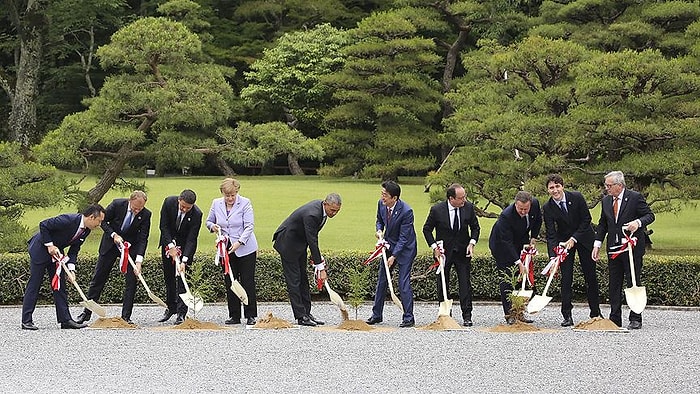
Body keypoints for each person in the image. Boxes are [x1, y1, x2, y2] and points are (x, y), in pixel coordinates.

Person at [21, 204, 106, 330]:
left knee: (60, 286)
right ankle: (26, 321)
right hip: (40, 249)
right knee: (35, 284)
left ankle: (65, 320)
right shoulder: (68, 220)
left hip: (57, 254)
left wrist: (71, 270)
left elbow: (74, 250)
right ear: (92, 217)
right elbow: (43, 224)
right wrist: (49, 245)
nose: (99, 225)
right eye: (99, 221)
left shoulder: (86, 230)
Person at [76, 191, 151, 325]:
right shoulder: (117, 205)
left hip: (129, 249)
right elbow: (103, 222)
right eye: (134, 208)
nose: (137, 211)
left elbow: (143, 238)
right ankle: (86, 313)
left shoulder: (146, 214)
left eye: (140, 209)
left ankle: (126, 317)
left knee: (131, 282)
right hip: (110, 246)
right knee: (98, 279)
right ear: (130, 201)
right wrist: (113, 235)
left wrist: (139, 261)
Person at [592, 171, 654, 329]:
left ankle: (635, 317)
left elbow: (649, 215)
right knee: (614, 283)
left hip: (632, 248)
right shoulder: (606, 201)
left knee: (633, 281)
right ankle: (615, 317)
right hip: (614, 248)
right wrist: (597, 244)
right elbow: (603, 224)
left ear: (619, 185)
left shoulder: (635, 197)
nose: (607, 189)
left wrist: (638, 223)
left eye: (609, 186)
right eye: (606, 186)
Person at [273, 193, 342, 326]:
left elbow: (312, 236)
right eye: (332, 210)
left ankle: (306, 313)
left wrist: (317, 258)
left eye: (337, 211)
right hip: (288, 243)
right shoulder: (312, 214)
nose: (334, 213)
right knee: (294, 280)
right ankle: (300, 316)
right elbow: (312, 240)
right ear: (325, 204)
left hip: (300, 244)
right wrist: (320, 267)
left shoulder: (322, 211)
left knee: (303, 278)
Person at [543, 174, 601, 327]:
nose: (555, 190)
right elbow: (551, 233)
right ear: (547, 190)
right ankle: (567, 315)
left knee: (590, 276)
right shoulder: (547, 207)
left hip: (584, 238)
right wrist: (553, 255)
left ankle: (595, 312)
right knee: (566, 278)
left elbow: (586, 219)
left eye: (557, 186)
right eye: (551, 188)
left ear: (562, 186)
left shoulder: (577, 197)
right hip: (564, 244)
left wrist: (574, 238)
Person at [422, 183, 481, 326]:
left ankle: (467, 315)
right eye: (461, 198)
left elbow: (475, 228)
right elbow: (427, 229)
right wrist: (434, 246)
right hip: (443, 253)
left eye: (464, 197)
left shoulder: (468, 208)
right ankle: (446, 314)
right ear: (451, 198)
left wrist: (471, 243)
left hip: (462, 252)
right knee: (442, 283)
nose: (464, 200)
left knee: (465, 283)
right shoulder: (437, 210)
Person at [206, 178, 258, 326]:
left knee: (247, 281)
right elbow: (208, 222)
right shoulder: (216, 203)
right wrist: (213, 227)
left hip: (245, 248)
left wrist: (239, 242)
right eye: (227, 195)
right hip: (226, 249)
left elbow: (249, 226)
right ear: (222, 193)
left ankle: (251, 314)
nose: (230, 198)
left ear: (237, 192)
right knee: (230, 281)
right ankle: (234, 315)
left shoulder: (245, 203)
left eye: (232, 195)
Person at [366, 181, 417, 328]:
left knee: (403, 282)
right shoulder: (381, 204)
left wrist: (393, 256)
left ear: (394, 198)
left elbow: (403, 238)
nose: (383, 197)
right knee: (382, 280)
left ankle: (408, 317)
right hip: (388, 244)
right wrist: (379, 230)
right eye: (382, 194)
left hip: (405, 249)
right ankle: (376, 315)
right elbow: (379, 220)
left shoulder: (407, 211)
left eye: (385, 195)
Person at [489, 190, 542, 325]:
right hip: (501, 245)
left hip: (520, 241)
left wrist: (533, 238)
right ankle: (509, 314)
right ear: (515, 204)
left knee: (520, 280)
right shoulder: (506, 216)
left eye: (526, 209)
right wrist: (519, 262)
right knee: (507, 279)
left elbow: (537, 221)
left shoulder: (535, 204)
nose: (524, 212)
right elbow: (506, 242)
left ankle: (519, 313)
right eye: (520, 209)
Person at [158, 189, 203, 325]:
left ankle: (181, 313)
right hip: (168, 243)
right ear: (179, 200)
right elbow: (163, 226)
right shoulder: (168, 202)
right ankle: (171, 307)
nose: (184, 209)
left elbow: (191, 238)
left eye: (188, 208)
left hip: (185, 247)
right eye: (182, 206)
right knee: (169, 278)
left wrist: (184, 260)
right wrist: (171, 246)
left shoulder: (197, 214)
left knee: (183, 280)